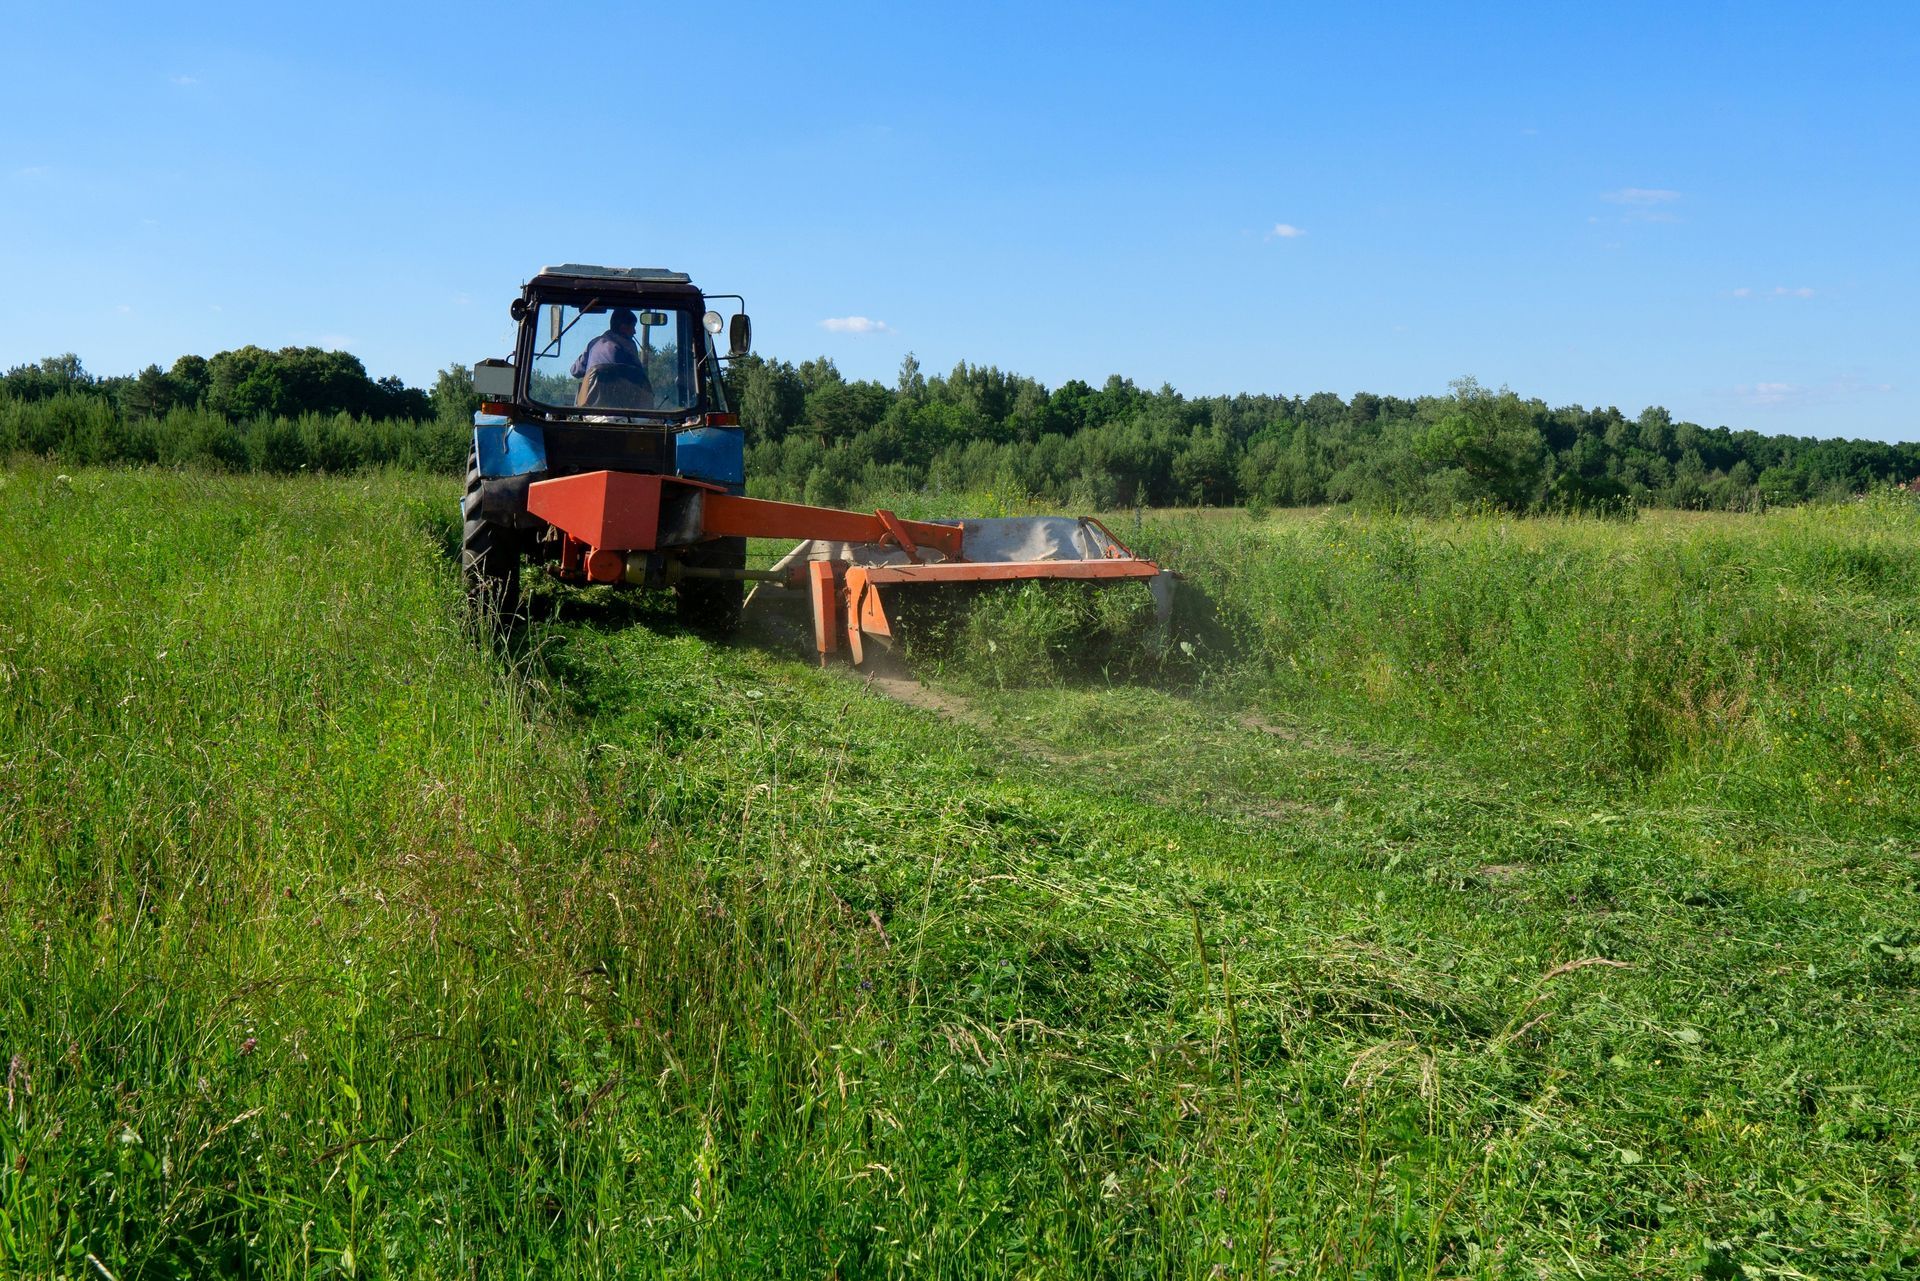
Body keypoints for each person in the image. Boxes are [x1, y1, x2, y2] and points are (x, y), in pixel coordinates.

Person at [569, 308, 653, 408]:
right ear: (623, 327)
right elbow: (639, 377)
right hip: (621, 409)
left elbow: (575, 371)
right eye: (633, 327)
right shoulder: (629, 346)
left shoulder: (594, 343)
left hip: (589, 410)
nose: (634, 332)